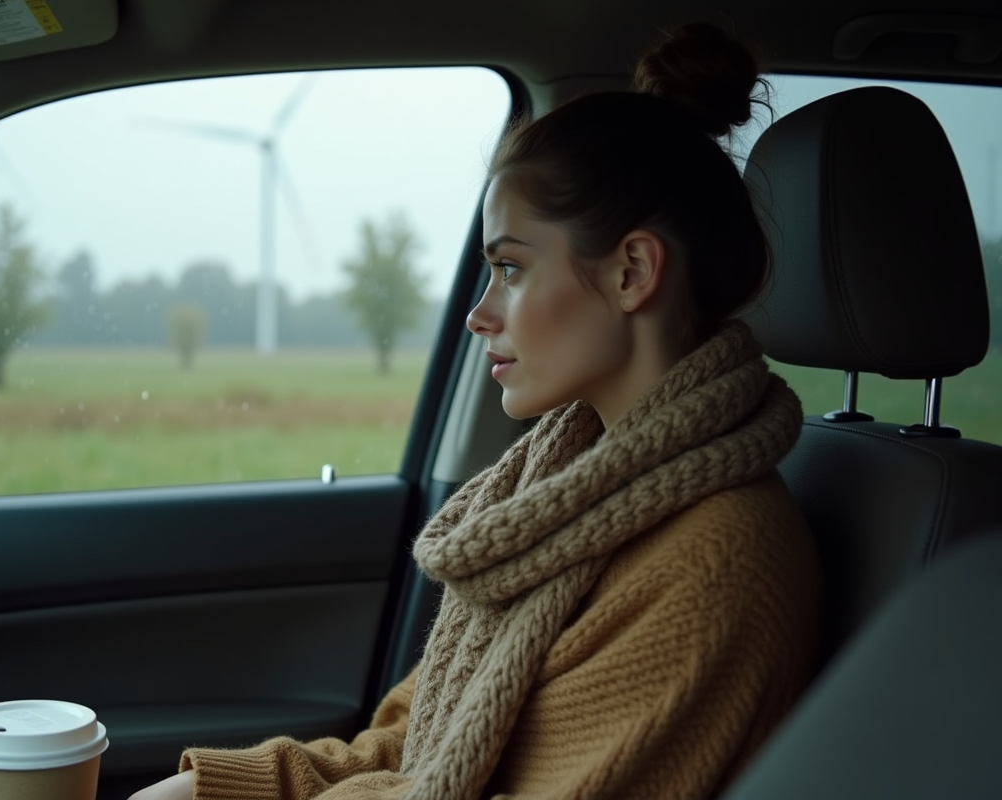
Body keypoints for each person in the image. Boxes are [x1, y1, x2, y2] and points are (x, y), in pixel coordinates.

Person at [131, 22, 821, 800]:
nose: (479, 314)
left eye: (510, 269)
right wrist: (211, 790)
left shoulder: (715, 564)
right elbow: (421, 745)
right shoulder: (561, 493)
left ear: (631, 271)